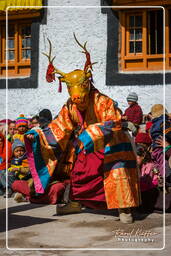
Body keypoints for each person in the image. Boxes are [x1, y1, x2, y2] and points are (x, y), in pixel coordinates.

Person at [25, 34, 140, 223]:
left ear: (87, 86)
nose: (78, 101)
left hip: (113, 145)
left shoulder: (103, 101)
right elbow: (59, 127)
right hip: (87, 146)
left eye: (81, 96)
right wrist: (36, 135)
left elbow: (113, 123)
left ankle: (124, 208)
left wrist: (87, 135)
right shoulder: (70, 105)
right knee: (78, 172)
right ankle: (76, 202)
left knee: (117, 173)